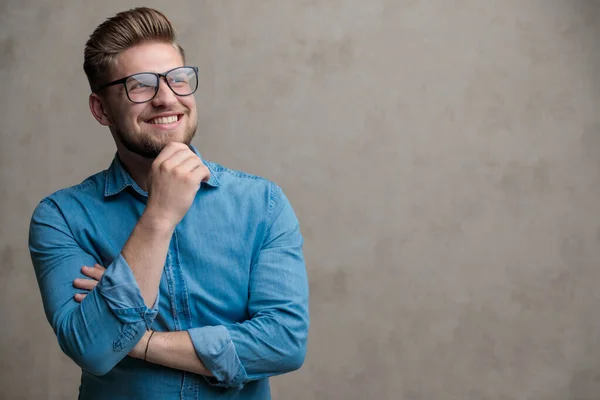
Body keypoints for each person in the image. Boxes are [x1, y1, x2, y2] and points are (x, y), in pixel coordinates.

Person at [28, 7, 309, 400]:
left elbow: (284, 342)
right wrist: (158, 217)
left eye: (178, 80)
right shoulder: (62, 217)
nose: (166, 98)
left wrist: (138, 340)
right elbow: (91, 348)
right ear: (101, 109)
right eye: (139, 85)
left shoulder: (261, 204)